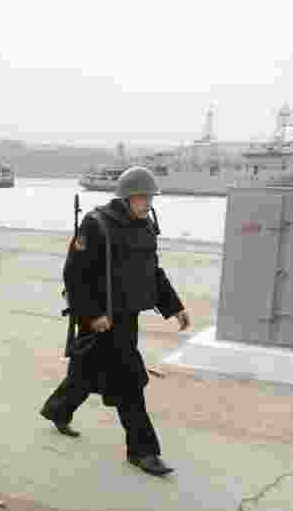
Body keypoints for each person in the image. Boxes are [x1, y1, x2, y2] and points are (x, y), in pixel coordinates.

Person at [40, 165, 190, 477]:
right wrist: (92, 315)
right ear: (125, 198)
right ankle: (143, 451)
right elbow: (74, 275)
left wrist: (175, 306)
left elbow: (153, 272)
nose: (148, 203)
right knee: (130, 382)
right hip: (100, 318)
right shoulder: (97, 225)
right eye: (142, 198)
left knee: (86, 373)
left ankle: (58, 409)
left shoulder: (145, 227)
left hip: (126, 317)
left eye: (150, 198)